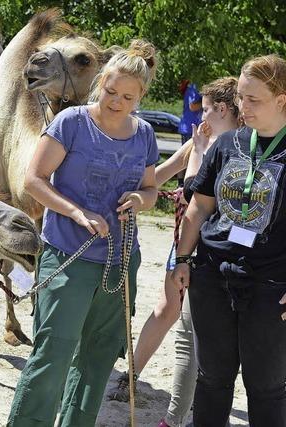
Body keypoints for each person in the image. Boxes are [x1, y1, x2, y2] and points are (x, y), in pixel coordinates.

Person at [7, 40, 159, 427]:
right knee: (52, 354)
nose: (116, 101)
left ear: (140, 96)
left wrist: (140, 200)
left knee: (99, 357)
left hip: (120, 261)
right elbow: (34, 180)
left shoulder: (144, 134)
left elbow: (151, 189)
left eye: (127, 96)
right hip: (68, 256)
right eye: (110, 91)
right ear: (100, 83)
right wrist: (78, 212)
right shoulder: (71, 122)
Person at [109, 77, 241, 427]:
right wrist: (135, 192)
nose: (201, 114)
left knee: (192, 331)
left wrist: (197, 152)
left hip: (204, 249)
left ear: (223, 109)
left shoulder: (228, 146)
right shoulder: (202, 139)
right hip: (184, 243)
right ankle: (132, 375)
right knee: (171, 310)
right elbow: (159, 177)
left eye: (207, 108)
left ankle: (186, 410)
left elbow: (192, 190)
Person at [172, 54, 286, 425]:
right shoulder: (228, 144)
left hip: (271, 286)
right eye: (240, 97)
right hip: (212, 276)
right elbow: (199, 209)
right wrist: (183, 260)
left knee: (267, 386)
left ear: (281, 99)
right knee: (212, 379)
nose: (243, 107)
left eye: (254, 99)